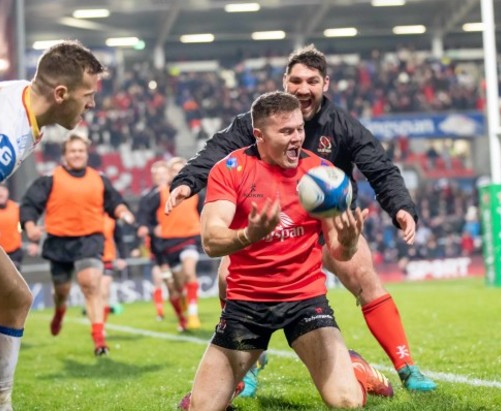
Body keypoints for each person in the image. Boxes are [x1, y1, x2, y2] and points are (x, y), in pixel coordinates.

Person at [166, 44, 436, 392]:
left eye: (312, 80)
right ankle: (246, 366)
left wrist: (401, 206)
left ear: (326, 84)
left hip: (327, 223)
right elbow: (215, 152)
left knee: (364, 276)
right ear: (285, 82)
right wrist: (187, 181)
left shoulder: (342, 125)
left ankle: (406, 366)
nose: (303, 88)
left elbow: (379, 167)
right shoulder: (259, 121)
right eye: (295, 80)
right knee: (228, 278)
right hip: (270, 225)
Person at [181, 91, 392, 411]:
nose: (297, 138)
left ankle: (357, 371)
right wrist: (250, 234)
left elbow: (337, 250)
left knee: (346, 402)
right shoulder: (230, 169)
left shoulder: (322, 174)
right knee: (200, 408)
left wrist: (348, 241)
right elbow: (211, 241)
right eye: (286, 132)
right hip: (247, 305)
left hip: (305, 301)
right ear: (259, 135)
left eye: (299, 129)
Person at [0, 40, 104, 410]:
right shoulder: (0, 140)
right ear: (61, 93)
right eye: (88, 95)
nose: (92, 104)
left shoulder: (21, 96)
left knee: (14, 299)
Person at [20, 133, 135, 356]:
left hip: (90, 239)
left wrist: (123, 212)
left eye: (81, 151)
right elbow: (29, 204)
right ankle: (60, 310)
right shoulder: (50, 178)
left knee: (91, 283)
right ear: (64, 155)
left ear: (86, 154)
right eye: (72, 151)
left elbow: (115, 202)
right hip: (59, 242)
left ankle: (99, 340)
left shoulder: (99, 179)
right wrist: (30, 226)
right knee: (62, 291)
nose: (77, 154)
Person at [138, 157, 203, 331]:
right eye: (174, 170)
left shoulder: (196, 192)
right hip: (165, 247)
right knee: (174, 288)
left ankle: (193, 314)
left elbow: (205, 212)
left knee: (190, 271)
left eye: (182, 169)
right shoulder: (158, 195)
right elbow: (143, 221)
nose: (179, 173)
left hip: (189, 240)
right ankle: (181, 318)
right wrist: (152, 229)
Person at [137, 160, 174, 322]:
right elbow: (142, 223)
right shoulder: (148, 197)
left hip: (176, 240)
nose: (160, 177)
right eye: (157, 174)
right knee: (159, 278)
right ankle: (160, 311)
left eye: (163, 173)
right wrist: (153, 230)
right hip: (158, 245)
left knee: (175, 282)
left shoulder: (177, 192)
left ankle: (184, 310)